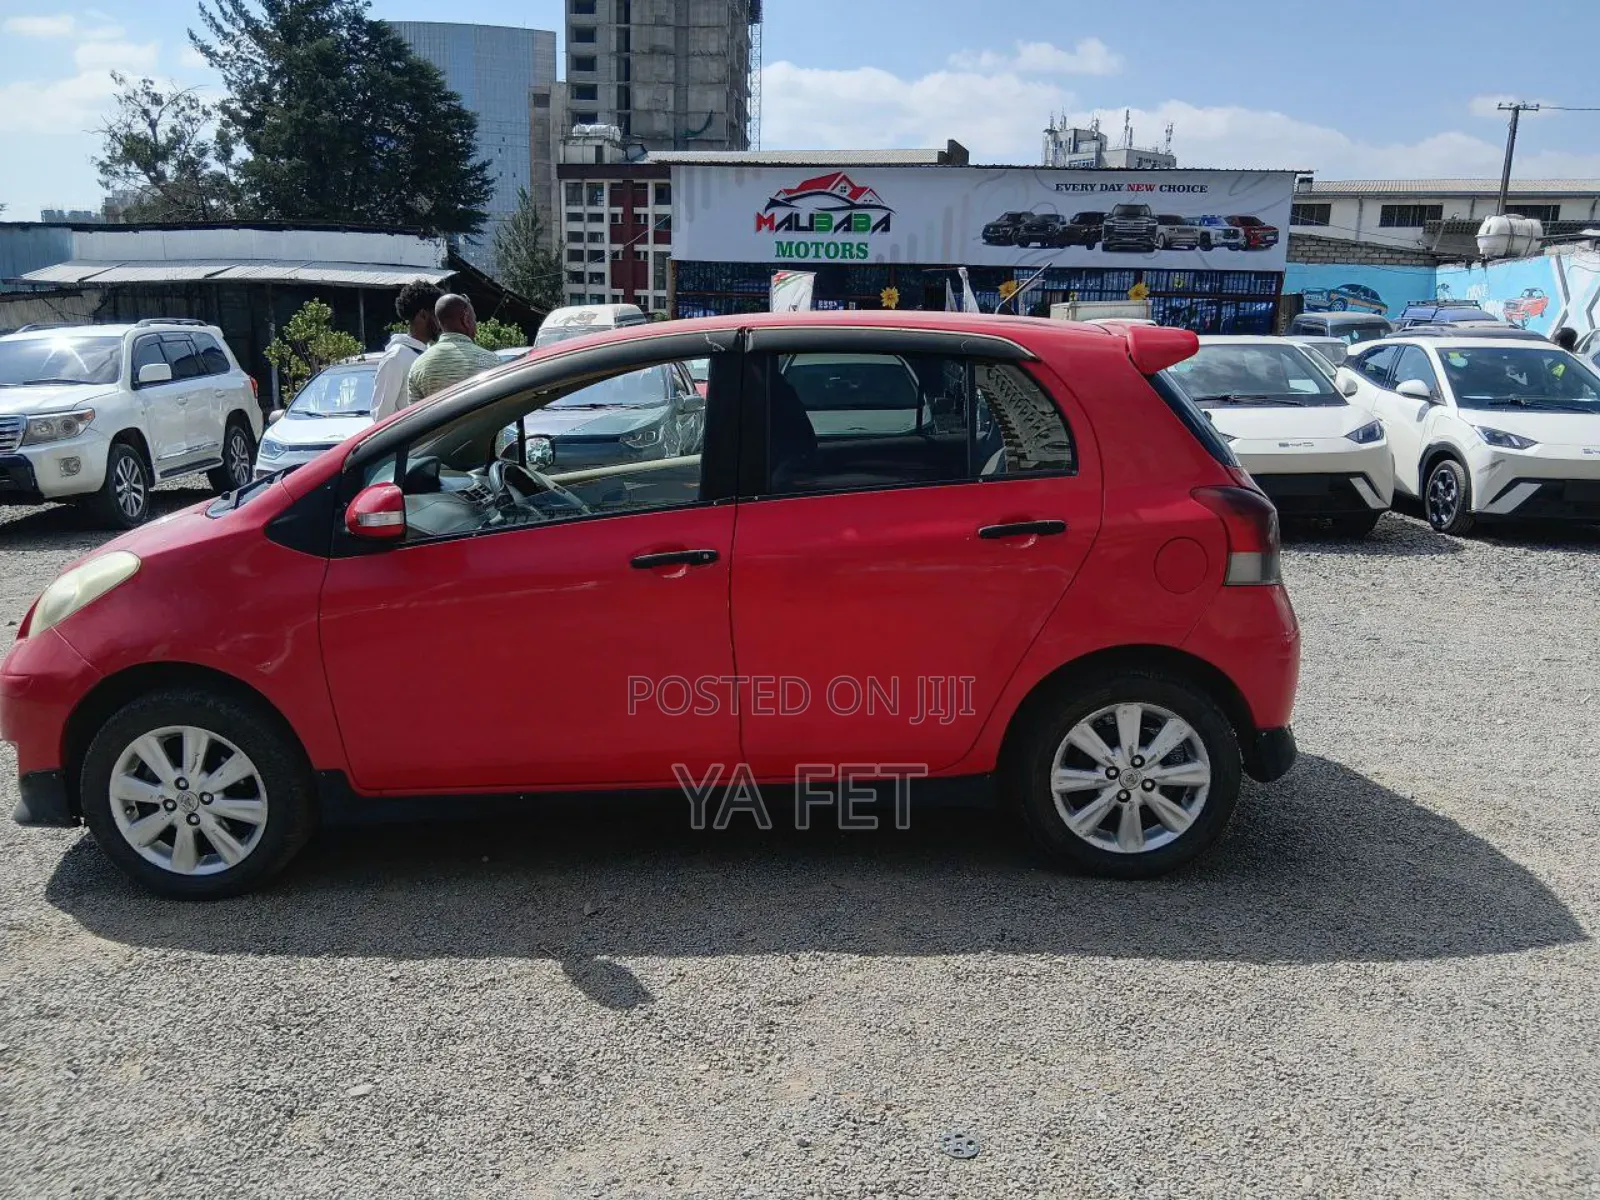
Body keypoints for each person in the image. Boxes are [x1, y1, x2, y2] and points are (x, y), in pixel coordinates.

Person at [406, 293, 502, 404]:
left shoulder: (418, 366)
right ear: (465, 319)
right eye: (474, 319)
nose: (476, 325)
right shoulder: (492, 361)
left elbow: (415, 416)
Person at [369, 280, 442, 421]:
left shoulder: (426, 352)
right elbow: (382, 417)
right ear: (423, 315)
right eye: (437, 315)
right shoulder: (396, 357)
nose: (441, 322)